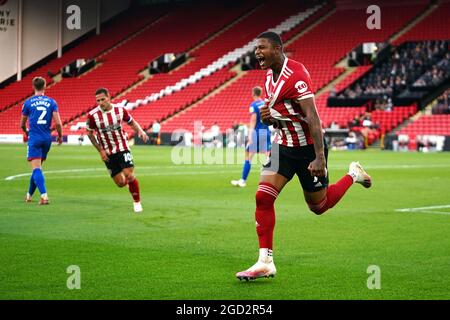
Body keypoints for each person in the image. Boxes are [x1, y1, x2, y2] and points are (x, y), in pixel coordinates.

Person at [236, 32, 372, 281]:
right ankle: (265, 262)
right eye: (255, 48)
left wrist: (320, 157)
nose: (257, 52)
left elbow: (313, 118)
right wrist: (269, 119)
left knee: (318, 207)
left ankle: (353, 174)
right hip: (283, 147)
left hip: (309, 150)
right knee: (262, 197)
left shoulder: (296, 75)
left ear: (278, 48)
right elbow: (280, 117)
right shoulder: (267, 78)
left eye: (262, 47)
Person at [86, 88, 149, 213]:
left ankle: (137, 202)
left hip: (122, 147)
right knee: (120, 183)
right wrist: (100, 150)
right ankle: (130, 186)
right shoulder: (93, 115)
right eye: (98, 100)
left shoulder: (120, 110)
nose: (100, 103)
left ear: (109, 97)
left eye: (103, 99)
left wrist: (140, 131)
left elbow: (131, 122)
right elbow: (89, 133)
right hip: (107, 152)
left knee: (129, 175)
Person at [21, 77, 63, 205]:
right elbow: (58, 123)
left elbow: (22, 124)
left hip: (34, 138)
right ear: (45, 86)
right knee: (37, 168)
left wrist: (26, 131)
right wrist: (60, 136)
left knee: (36, 169)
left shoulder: (28, 103)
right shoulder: (51, 102)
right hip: (46, 138)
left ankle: (44, 196)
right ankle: (29, 195)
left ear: (33, 87)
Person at [231, 86, 271, 187]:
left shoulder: (254, 105)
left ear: (253, 93)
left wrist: (250, 135)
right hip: (266, 132)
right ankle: (270, 183)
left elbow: (253, 120)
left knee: (248, 157)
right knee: (268, 157)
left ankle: (243, 180)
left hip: (257, 133)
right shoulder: (265, 104)